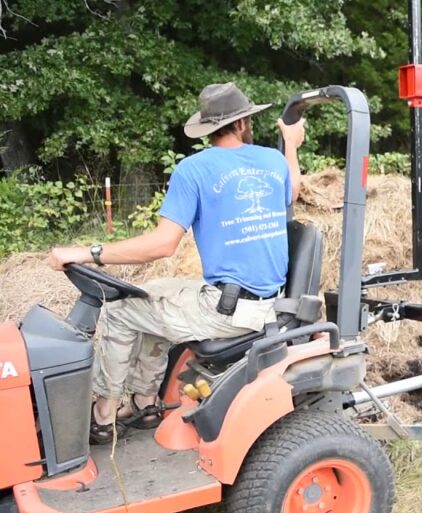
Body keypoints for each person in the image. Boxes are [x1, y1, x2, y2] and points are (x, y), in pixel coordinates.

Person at [47, 83, 306, 444]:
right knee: (147, 294)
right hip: (264, 303)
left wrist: (85, 253)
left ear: (207, 127)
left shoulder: (194, 169)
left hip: (226, 311)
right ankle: (145, 401)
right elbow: (292, 190)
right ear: (244, 121)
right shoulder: (272, 160)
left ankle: (103, 415)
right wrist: (291, 146)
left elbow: (163, 244)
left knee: (119, 310)